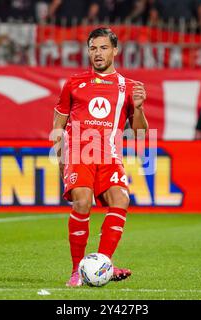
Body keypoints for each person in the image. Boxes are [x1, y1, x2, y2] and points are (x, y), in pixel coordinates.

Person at [52, 27, 148, 287]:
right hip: (79, 152)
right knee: (82, 202)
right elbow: (58, 123)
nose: (98, 53)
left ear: (115, 51)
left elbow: (140, 133)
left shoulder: (127, 87)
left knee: (121, 198)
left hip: (109, 154)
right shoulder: (73, 83)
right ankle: (76, 271)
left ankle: (103, 263)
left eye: (104, 47)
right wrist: (60, 154)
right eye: (93, 48)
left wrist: (138, 109)